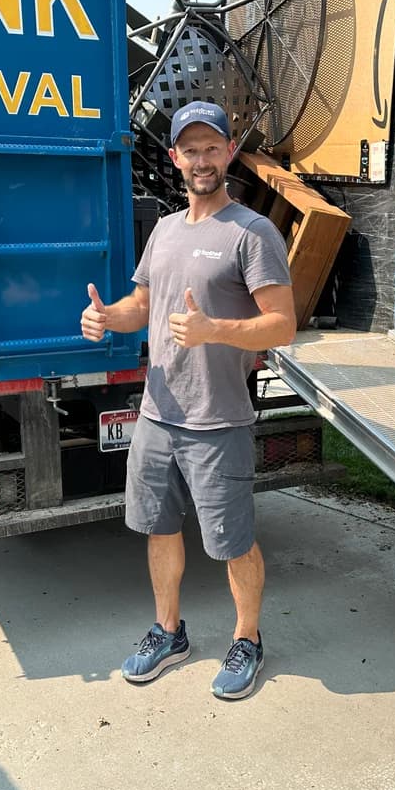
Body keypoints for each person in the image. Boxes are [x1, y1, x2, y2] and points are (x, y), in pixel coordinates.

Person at [80, 100, 296, 699]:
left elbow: (282, 325)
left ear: (229, 152)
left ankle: (248, 639)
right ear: (174, 158)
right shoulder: (167, 230)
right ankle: (168, 630)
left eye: (212, 147)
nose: (201, 160)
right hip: (157, 414)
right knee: (158, 528)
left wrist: (216, 330)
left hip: (218, 419)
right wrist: (105, 317)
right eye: (190, 149)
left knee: (233, 540)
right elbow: (142, 305)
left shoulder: (253, 234)